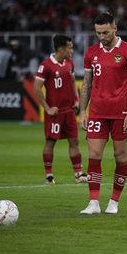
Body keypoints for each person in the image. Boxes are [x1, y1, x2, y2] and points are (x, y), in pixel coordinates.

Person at [78, 11, 127, 215]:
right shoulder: (91, 53)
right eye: (98, 33)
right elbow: (86, 84)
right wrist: (82, 111)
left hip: (120, 112)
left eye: (105, 32)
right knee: (94, 155)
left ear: (115, 28)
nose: (102, 37)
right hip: (97, 111)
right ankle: (93, 203)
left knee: (120, 156)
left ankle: (114, 201)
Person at [34, 34, 88, 184]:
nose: (72, 51)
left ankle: (78, 174)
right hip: (55, 113)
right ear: (61, 49)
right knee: (51, 142)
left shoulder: (69, 63)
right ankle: (49, 175)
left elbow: (72, 82)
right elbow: (36, 88)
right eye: (70, 48)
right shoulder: (46, 65)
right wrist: (47, 108)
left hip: (69, 111)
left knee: (74, 141)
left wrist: (76, 100)